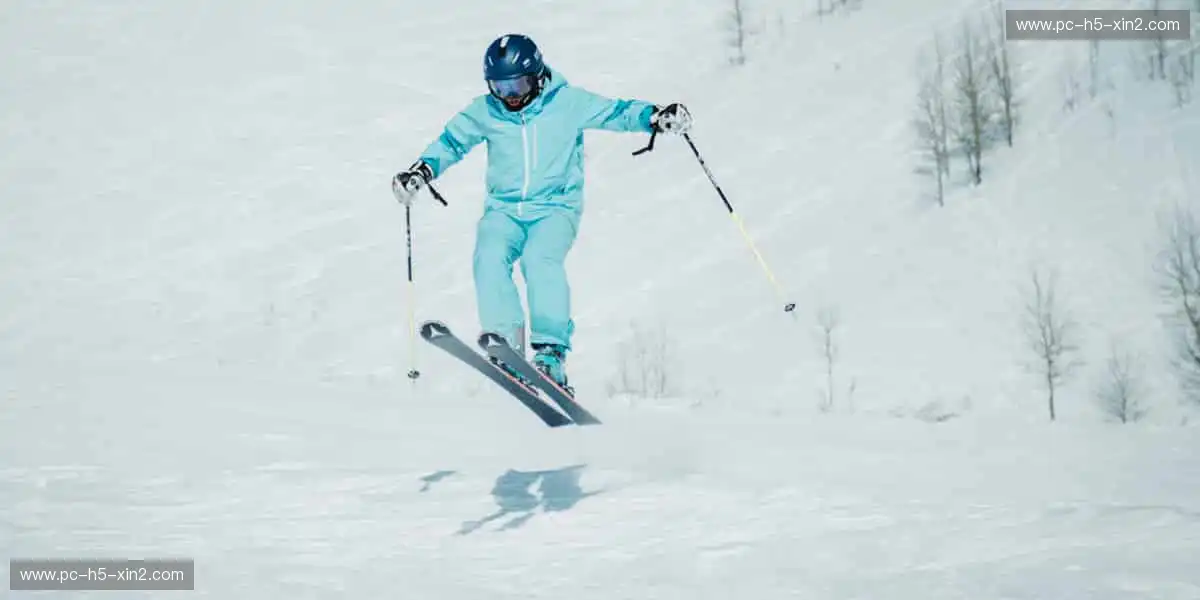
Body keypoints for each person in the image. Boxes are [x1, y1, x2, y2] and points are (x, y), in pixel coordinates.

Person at [392, 33, 692, 395]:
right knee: (487, 258)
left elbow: (616, 112)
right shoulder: (486, 110)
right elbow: (452, 141)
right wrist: (421, 170)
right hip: (504, 210)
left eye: (517, 84)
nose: (510, 96)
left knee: (539, 260)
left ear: (536, 76)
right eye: (500, 87)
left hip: (555, 208)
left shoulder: (567, 103)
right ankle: (506, 345)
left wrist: (654, 117)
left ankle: (550, 354)